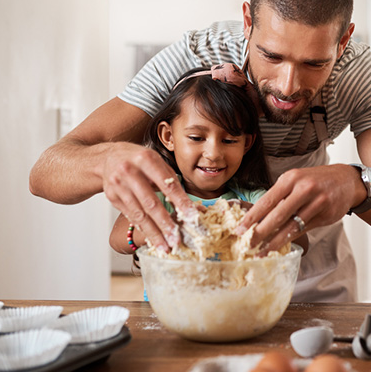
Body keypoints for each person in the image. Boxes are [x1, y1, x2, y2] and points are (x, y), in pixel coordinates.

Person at [29, 0, 371, 302]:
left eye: (315, 63)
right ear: (247, 22)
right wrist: (104, 161)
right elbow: (45, 173)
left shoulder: (360, 76)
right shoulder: (192, 57)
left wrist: (358, 183)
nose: (288, 86)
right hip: (196, 293)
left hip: (314, 286)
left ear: (344, 40)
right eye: (272, 56)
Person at [109, 65, 305, 254]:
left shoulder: (252, 198)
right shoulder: (162, 196)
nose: (213, 154)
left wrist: (256, 215)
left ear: (246, 144)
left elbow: (302, 242)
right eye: (196, 138)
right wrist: (167, 227)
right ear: (168, 137)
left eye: (229, 140)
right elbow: (117, 238)